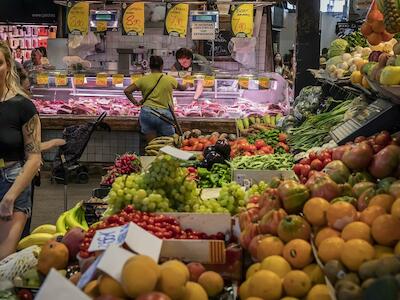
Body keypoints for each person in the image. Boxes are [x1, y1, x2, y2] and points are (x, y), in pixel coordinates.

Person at [0, 41, 42, 260]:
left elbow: (34, 158)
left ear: (8, 65)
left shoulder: (23, 106)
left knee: (2, 259)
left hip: (10, 183)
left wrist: (10, 197)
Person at [124, 56, 189, 143]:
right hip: (164, 115)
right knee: (168, 144)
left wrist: (135, 102)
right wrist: (188, 83)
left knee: (152, 145)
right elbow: (182, 88)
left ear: (150, 66)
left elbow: (127, 91)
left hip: (147, 113)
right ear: (162, 66)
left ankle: (152, 156)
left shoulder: (143, 79)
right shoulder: (169, 79)